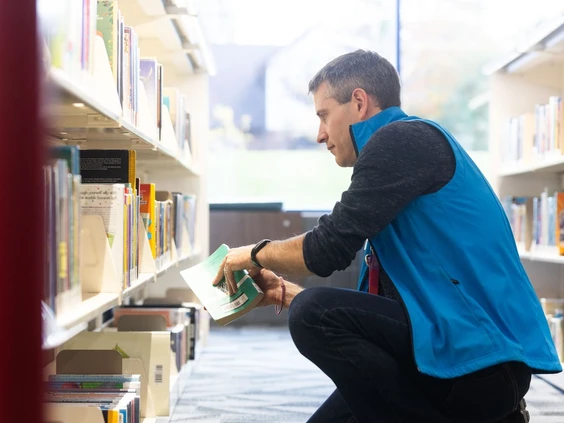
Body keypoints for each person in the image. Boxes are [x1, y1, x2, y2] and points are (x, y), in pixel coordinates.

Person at [212, 49, 562, 423]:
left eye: (324, 115)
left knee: (313, 315)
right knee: (310, 314)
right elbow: (389, 306)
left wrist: (250, 254)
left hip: (480, 364)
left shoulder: (402, 140)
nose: (320, 135)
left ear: (359, 102)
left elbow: (326, 250)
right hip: (447, 349)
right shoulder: (400, 149)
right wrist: (288, 293)